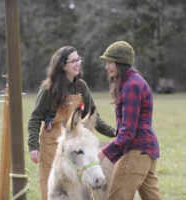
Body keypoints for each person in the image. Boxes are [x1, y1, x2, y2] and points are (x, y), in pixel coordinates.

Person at [28, 46, 115, 200]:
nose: (77, 63)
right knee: (51, 191)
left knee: (79, 192)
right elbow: (35, 118)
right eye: (73, 61)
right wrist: (33, 146)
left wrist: (114, 132)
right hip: (51, 148)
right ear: (63, 65)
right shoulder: (48, 89)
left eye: (78, 59)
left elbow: (94, 117)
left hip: (76, 149)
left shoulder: (82, 87)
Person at [98, 41, 163, 200]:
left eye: (109, 63)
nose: (107, 67)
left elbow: (127, 133)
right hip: (145, 151)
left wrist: (103, 153)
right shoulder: (132, 82)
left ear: (120, 63)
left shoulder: (132, 86)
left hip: (136, 152)